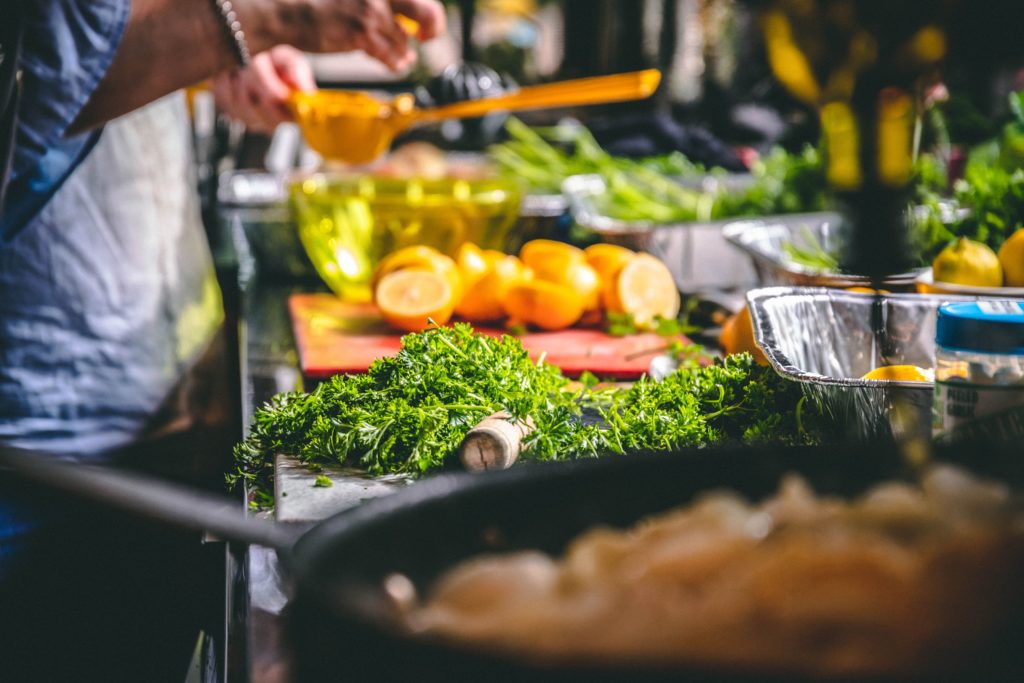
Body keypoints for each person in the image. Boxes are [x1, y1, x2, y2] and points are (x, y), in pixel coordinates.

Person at [0, 1, 446, 680]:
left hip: (156, 383)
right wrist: (258, 17)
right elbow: (28, 82)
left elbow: (93, 39)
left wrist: (210, 61)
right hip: (43, 443)